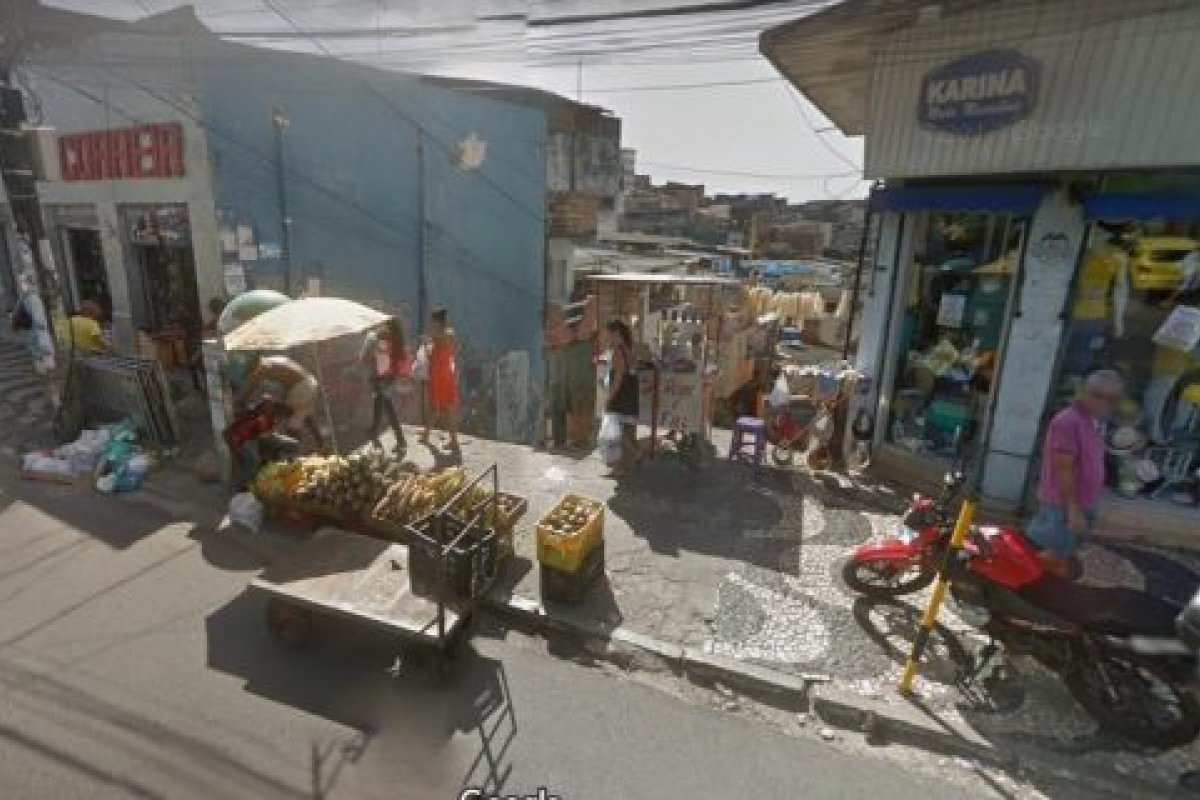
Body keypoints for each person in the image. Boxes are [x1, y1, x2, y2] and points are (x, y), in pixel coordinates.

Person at [1027, 369, 1124, 576]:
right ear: (1091, 395)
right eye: (1109, 399)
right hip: (1063, 503)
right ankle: (1033, 590)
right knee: (1053, 555)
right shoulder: (1067, 422)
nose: (1112, 405)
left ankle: (1043, 587)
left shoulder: (1095, 420)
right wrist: (1073, 509)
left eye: (1115, 399)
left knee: (1064, 550)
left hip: (1081, 500)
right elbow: (1063, 467)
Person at [235, 354, 330, 452]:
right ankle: (321, 443)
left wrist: (239, 402)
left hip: (301, 388)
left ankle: (291, 455)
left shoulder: (264, 366)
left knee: (285, 419)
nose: (254, 373)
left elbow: (252, 385)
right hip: (311, 383)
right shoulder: (277, 358)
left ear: (254, 365)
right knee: (303, 414)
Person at [361, 317, 410, 454]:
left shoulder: (383, 336)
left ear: (388, 325)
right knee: (380, 403)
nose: (382, 325)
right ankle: (374, 431)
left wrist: (373, 342)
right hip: (388, 377)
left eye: (385, 324)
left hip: (382, 377)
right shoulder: (397, 338)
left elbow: (370, 356)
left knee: (387, 407)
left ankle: (400, 440)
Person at [603, 318, 639, 477]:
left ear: (616, 334)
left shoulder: (617, 352)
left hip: (620, 397)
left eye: (608, 334)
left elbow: (617, 379)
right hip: (629, 396)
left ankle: (628, 459)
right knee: (622, 432)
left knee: (614, 434)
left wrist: (609, 399)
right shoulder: (629, 349)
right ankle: (622, 464)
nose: (606, 338)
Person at [420, 308, 460, 450]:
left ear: (437, 321)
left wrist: (425, 345)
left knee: (440, 408)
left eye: (432, 321)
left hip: (438, 376)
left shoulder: (438, 336)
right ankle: (426, 435)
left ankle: (453, 441)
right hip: (446, 375)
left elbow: (432, 358)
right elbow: (451, 354)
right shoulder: (449, 334)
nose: (431, 324)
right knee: (442, 408)